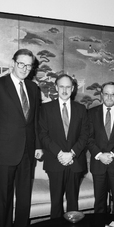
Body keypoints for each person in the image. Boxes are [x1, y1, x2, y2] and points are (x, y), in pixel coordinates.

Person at [0, 48, 43, 227]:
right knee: (5, 201)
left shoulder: (34, 89)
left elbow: (35, 121)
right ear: (13, 63)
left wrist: (37, 145)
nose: (25, 69)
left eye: (29, 66)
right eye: (21, 64)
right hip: (5, 153)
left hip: (27, 153)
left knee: (24, 200)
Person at [39, 74, 89, 218]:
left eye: (68, 87)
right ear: (56, 87)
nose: (65, 90)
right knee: (56, 202)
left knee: (73, 202)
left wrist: (72, 153)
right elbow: (43, 134)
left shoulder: (81, 109)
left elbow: (85, 135)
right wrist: (60, 154)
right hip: (55, 162)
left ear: (73, 89)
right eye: (62, 86)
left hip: (75, 162)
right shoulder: (46, 108)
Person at [87, 81, 114, 215]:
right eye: (106, 94)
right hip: (98, 163)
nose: (109, 97)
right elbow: (88, 138)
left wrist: (112, 154)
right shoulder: (91, 113)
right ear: (101, 95)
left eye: (113, 94)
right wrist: (100, 155)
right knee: (99, 202)